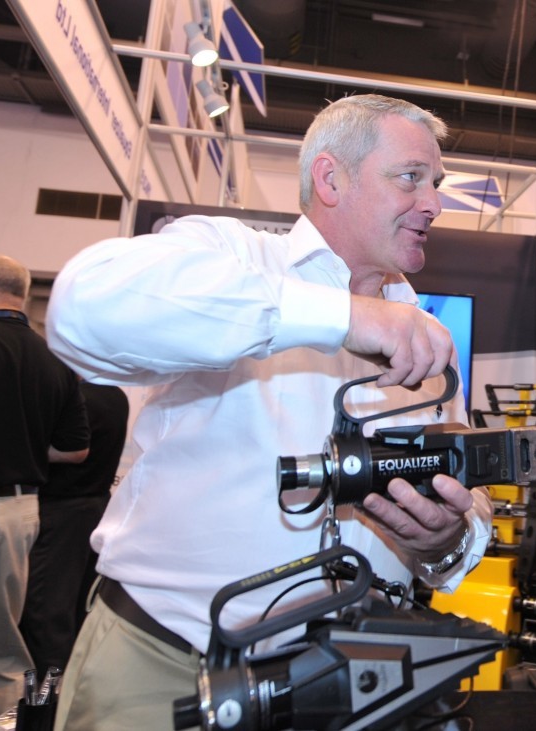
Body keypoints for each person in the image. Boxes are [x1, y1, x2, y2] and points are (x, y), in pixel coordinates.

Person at [45, 94, 494, 730]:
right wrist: (343, 317)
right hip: (166, 670)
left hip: (350, 687)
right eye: (410, 178)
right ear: (331, 178)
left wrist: (448, 540)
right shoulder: (229, 257)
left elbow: (469, 507)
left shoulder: (424, 340)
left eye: (436, 184)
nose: (434, 203)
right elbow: (82, 311)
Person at [0, 253, 89, 720]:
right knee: (5, 648)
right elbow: (74, 450)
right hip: (21, 513)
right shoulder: (55, 360)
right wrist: (24, 443)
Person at [20, 381, 129, 678]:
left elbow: (70, 449)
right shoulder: (115, 395)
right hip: (96, 509)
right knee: (78, 610)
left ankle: (46, 709)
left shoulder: (73, 398)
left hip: (62, 515)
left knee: (47, 616)